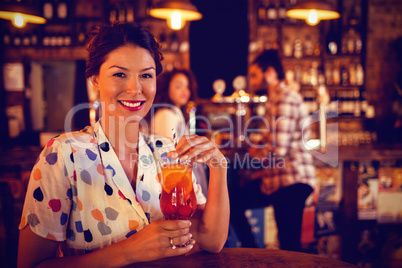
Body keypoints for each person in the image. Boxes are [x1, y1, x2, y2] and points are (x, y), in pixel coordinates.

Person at [17, 22, 229, 267]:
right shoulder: (63, 154)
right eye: (119, 74)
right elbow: (30, 265)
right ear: (95, 79)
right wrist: (129, 251)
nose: (134, 88)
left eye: (146, 75)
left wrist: (219, 166)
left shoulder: (168, 152)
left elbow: (211, 240)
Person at [229, 49, 315, 251]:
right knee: (234, 203)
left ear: (270, 73)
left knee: (290, 247)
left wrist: (254, 152)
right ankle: (253, 254)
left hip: (292, 181)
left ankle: (253, 254)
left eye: (255, 75)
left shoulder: (284, 98)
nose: (252, 81)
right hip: (278, 181)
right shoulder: (276, 99)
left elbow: (278, 151)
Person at [149, 68, 208, 196]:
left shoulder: (174, 111)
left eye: (187, 87)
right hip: (178, 181)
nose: (185, 91)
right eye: (178, 86)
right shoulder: (166, 114)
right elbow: (167, 155)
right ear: (167, 88)